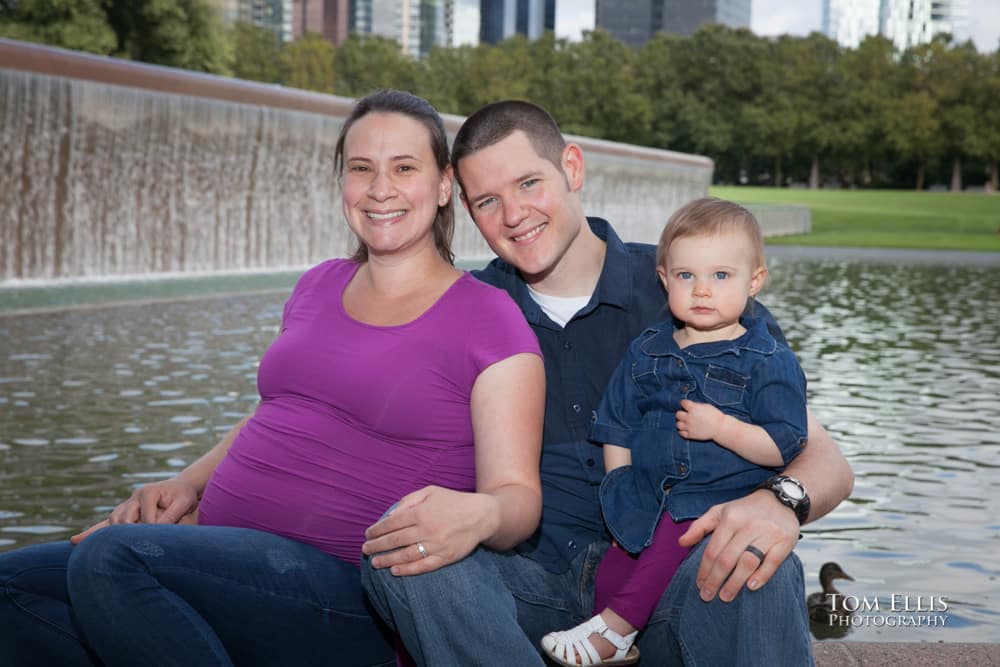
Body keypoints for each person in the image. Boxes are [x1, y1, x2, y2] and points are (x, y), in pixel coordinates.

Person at [0, 89, 545, 667]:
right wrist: (188, 483)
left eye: (403, 168)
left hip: (345, 593)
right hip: (217, 554)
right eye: (361, 169)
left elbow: (518, 500)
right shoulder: (318, 283)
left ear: (441, 188)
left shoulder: (488, 318)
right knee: (12, 589)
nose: (380, 189)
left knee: (111, 561)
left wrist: (480, 513)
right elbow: (280, 410)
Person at [362, 100, 854, 666]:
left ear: (571, 168)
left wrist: (780, 503)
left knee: (755, 557)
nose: (515, 213)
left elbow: (826, 462)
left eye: (529, 183)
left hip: (674, 576)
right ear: (468, 210)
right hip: (526, 590)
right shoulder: (464, 311)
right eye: (488, 201)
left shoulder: (693, 288)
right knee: (399, 557)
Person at [539, 197, 809, 666]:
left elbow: (781, 444)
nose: (702, 290)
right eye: (687, 276)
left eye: (721, 276)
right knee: (613, 573)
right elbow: (616, 421)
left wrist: (721, 427)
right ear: (664, 280)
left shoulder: (767, 361)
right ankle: (612, 637)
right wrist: (619, 481)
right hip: (644, 496)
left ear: (755, 281)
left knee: (671, 543)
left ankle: (617, 630)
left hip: (715, 500)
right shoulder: (648, 350)